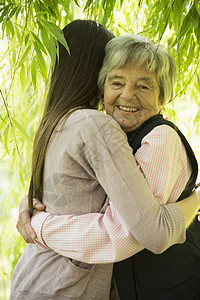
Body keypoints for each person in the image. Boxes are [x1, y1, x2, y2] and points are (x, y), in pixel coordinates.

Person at [11, 21, 200, 300]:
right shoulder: (96, 128)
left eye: (144, 86)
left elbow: (131, 233)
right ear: (99, 82)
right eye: (116, 82)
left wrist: (38, 225)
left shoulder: (156, 139)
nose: (127, 95)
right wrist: (30, 210)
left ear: (162, 96)